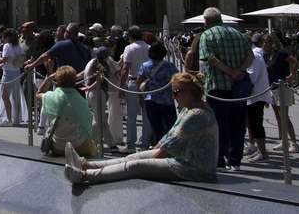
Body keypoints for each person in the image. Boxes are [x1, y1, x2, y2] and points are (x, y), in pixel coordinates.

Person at [63, 71, 218, 185]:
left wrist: (150, 161)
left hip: (194, 168)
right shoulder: (191, 107)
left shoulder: (196, 115)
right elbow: (170, 136)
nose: (174, 96)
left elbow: (170, 146)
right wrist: (149, 153)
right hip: (183, 156)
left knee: (135, 166)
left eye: (176, 92)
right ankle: (85, 164)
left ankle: (84, 175)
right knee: (132, 158)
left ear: (190, 92)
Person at [198, 7, 254, 170]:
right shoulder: (238, 34)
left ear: (206, 21)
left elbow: (210, 58)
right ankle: (235, 160)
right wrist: (238, 72)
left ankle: (220, 160)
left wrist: (229, 72)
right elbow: (250, 56)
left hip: (218, 87)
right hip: (239, 87)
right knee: (238, 123)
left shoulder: (206, 35)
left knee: (218, 124)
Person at [38, 66, 96, 158]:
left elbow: (38, 93)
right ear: (74, 80)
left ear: (57, 80)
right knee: (93, 145)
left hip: (57, 146)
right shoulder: (81, 100)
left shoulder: (51, 96)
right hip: (79, 147)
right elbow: (89, 122)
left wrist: (48, 79)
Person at [262, 33, 299, 153]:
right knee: (278, 117)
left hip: (283, 87)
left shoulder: (281, 53)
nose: (265, 44)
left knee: (284, 116)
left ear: (273, 42)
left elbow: (295, 62)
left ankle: (294, 143)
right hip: (272, 88)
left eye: (267, 41)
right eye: (264, 42)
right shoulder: (266, 56)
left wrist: (291, 75)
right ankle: (284, 141)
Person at [138, 42, 178, 147]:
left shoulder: (145, 66)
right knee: (170, 126)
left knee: (156, 127)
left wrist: (140, 99)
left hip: (151, 100)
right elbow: (177, 81)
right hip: (167, 100)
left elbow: (139, 81)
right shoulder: (170, 66)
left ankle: (157, 148)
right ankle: (169, 148)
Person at [120, 26, 152, 151]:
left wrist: (121, 87)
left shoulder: (129, 48)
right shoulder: (149, 48)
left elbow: (125, 68)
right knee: (146, 115)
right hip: (147, 83)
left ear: (130, 36)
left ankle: (131, 144)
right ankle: (145, 143)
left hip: (133, 82)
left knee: (131, 115)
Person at [244, 35, 273, 162]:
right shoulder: (255, 55)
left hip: (256, 96)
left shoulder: (254, 56)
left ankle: (263, 152)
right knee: (253, 123)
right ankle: (258, 150)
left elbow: (252, 77)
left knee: (256, 124)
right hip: (256, 95)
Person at [0, 28, 28, 126]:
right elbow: (22, 58)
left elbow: (5, 59)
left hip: (7, 73)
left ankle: (9, 118)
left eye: (4, 36)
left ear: (8, 37)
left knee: (5, 96)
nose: (3, 38)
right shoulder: (18, 46)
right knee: (16, 96)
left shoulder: (7, 46)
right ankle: (17, 118)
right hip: (16, 72)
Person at [25, 23, 90, 75]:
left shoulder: (61, 45)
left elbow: (45, 56)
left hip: (65, 81)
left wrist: (31, 65)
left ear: (67, 32)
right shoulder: (85, 48)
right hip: (80, 82)